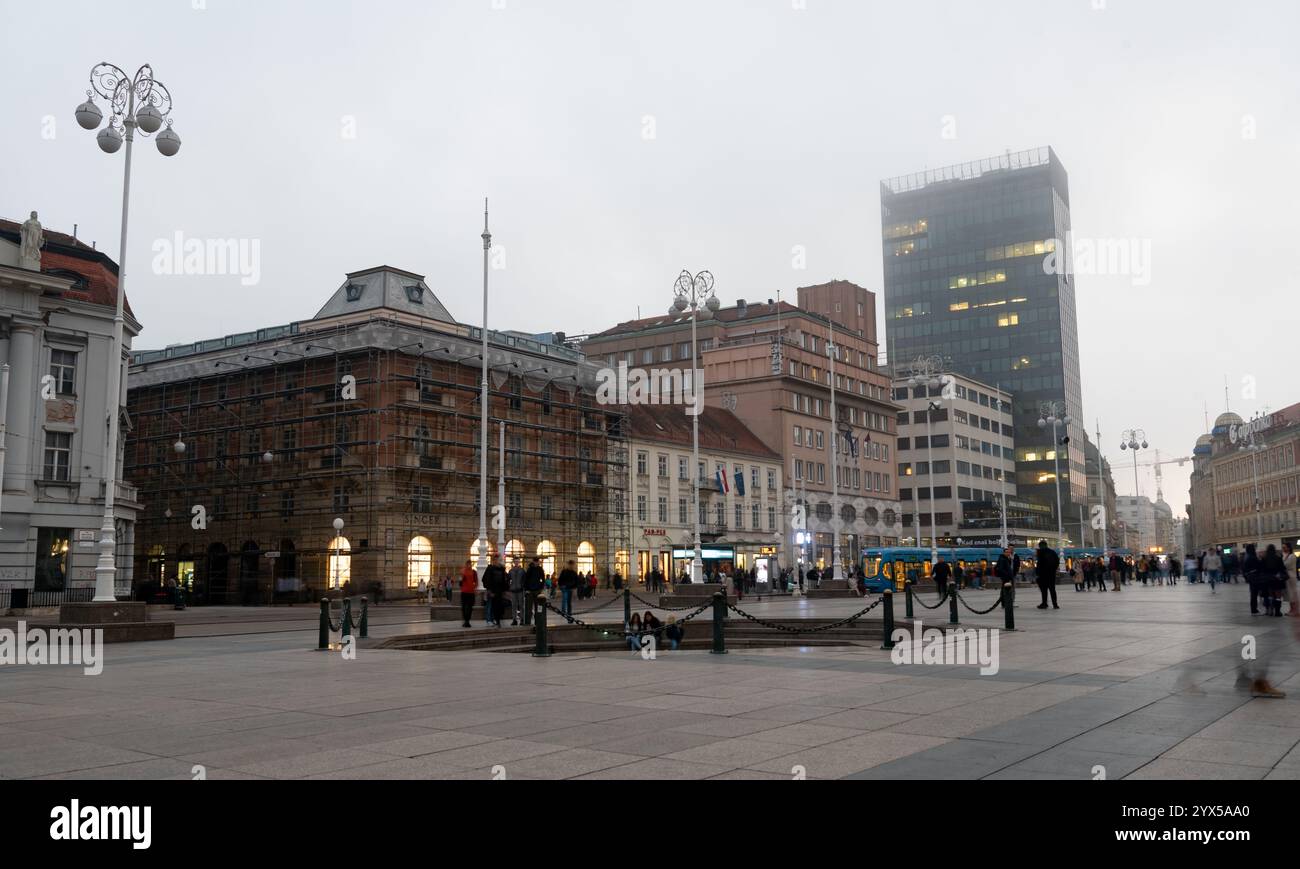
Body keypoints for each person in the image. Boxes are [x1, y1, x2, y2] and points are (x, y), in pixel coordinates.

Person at [483, 554, 508, 628]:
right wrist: (489, 590)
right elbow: (485, 579)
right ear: (493, 560)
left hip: (499, 591)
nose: (497, 561)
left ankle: (497, 620)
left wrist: (505, 590)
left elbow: (504, 580)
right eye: (496, 560)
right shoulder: (490, 568)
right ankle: (490, 620)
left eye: (498, 560)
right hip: (492, 591)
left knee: (498, 606)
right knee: (491, 605)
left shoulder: (502, 569)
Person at [1035, 540, 1060, 610]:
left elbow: (1039, 564)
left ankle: (1044, 603)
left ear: (1040, 546)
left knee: (1044, 590)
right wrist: (1053, 570)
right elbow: (1057, 562)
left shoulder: (1040, 552)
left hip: (1043, 575)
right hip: (1051, 575)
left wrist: (1038, 573)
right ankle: (1055, 604)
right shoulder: (1052, 552)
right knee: (1052, 590)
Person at [523, 557, 544, 626]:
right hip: (530, 591)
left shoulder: (540, 569)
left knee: (538, 607)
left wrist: (541, 588)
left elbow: (542, 579)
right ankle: (527, 622)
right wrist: (526, 589)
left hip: (537, 590)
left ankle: (538, 621)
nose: (536, 563)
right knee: (528, 607)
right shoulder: (529, 569)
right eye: (535, 561)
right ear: (533, 562)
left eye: (537, 562)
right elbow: (526, 580)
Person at [1244, 543, 1263, 615]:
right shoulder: (1252, 557)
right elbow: (1258, 566)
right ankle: (1254, 610)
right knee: (1254, 594)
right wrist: (1260, 559)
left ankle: (1254, 609)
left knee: (1253, 593)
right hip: (1255, 577)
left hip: (1250, 577)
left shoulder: (1247, 556)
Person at [459, 559, 478, 628]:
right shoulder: (463, 572)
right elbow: (460, 583)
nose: (468, 565)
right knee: (465, 607)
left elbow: (476, 581)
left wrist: (475, 588)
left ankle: (467, 621)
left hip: (470, 592)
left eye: (469, 564)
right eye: (468, 564)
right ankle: (466, 621)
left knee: (468, 607)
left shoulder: (473, 572)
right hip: (465, 592)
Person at [508, 559, 526, 627]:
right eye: (515, 561)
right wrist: (509, 587)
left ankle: (522, 619)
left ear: (519, 562)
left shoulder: (522, 571)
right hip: (513, 590)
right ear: (513, 562)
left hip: (520, 590)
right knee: (514, 606)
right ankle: (514, 620)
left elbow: (524, 580)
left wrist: (523, 587)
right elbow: (508, 579)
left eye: (517, 561)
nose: (516, 562)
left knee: (521, 605)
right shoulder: (511, 571)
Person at [1283, 543, 1298, 617]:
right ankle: (1291, 609)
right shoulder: (1286, 555)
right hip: (1287, 577)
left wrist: (1282, 562)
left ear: (1289, 548)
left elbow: (1286, 565)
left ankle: (1294, 610)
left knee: (1292, 594)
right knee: (1289, 594)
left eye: (1285, 547)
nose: (1283, 549)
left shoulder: (1292, 556)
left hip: (1291, 577)